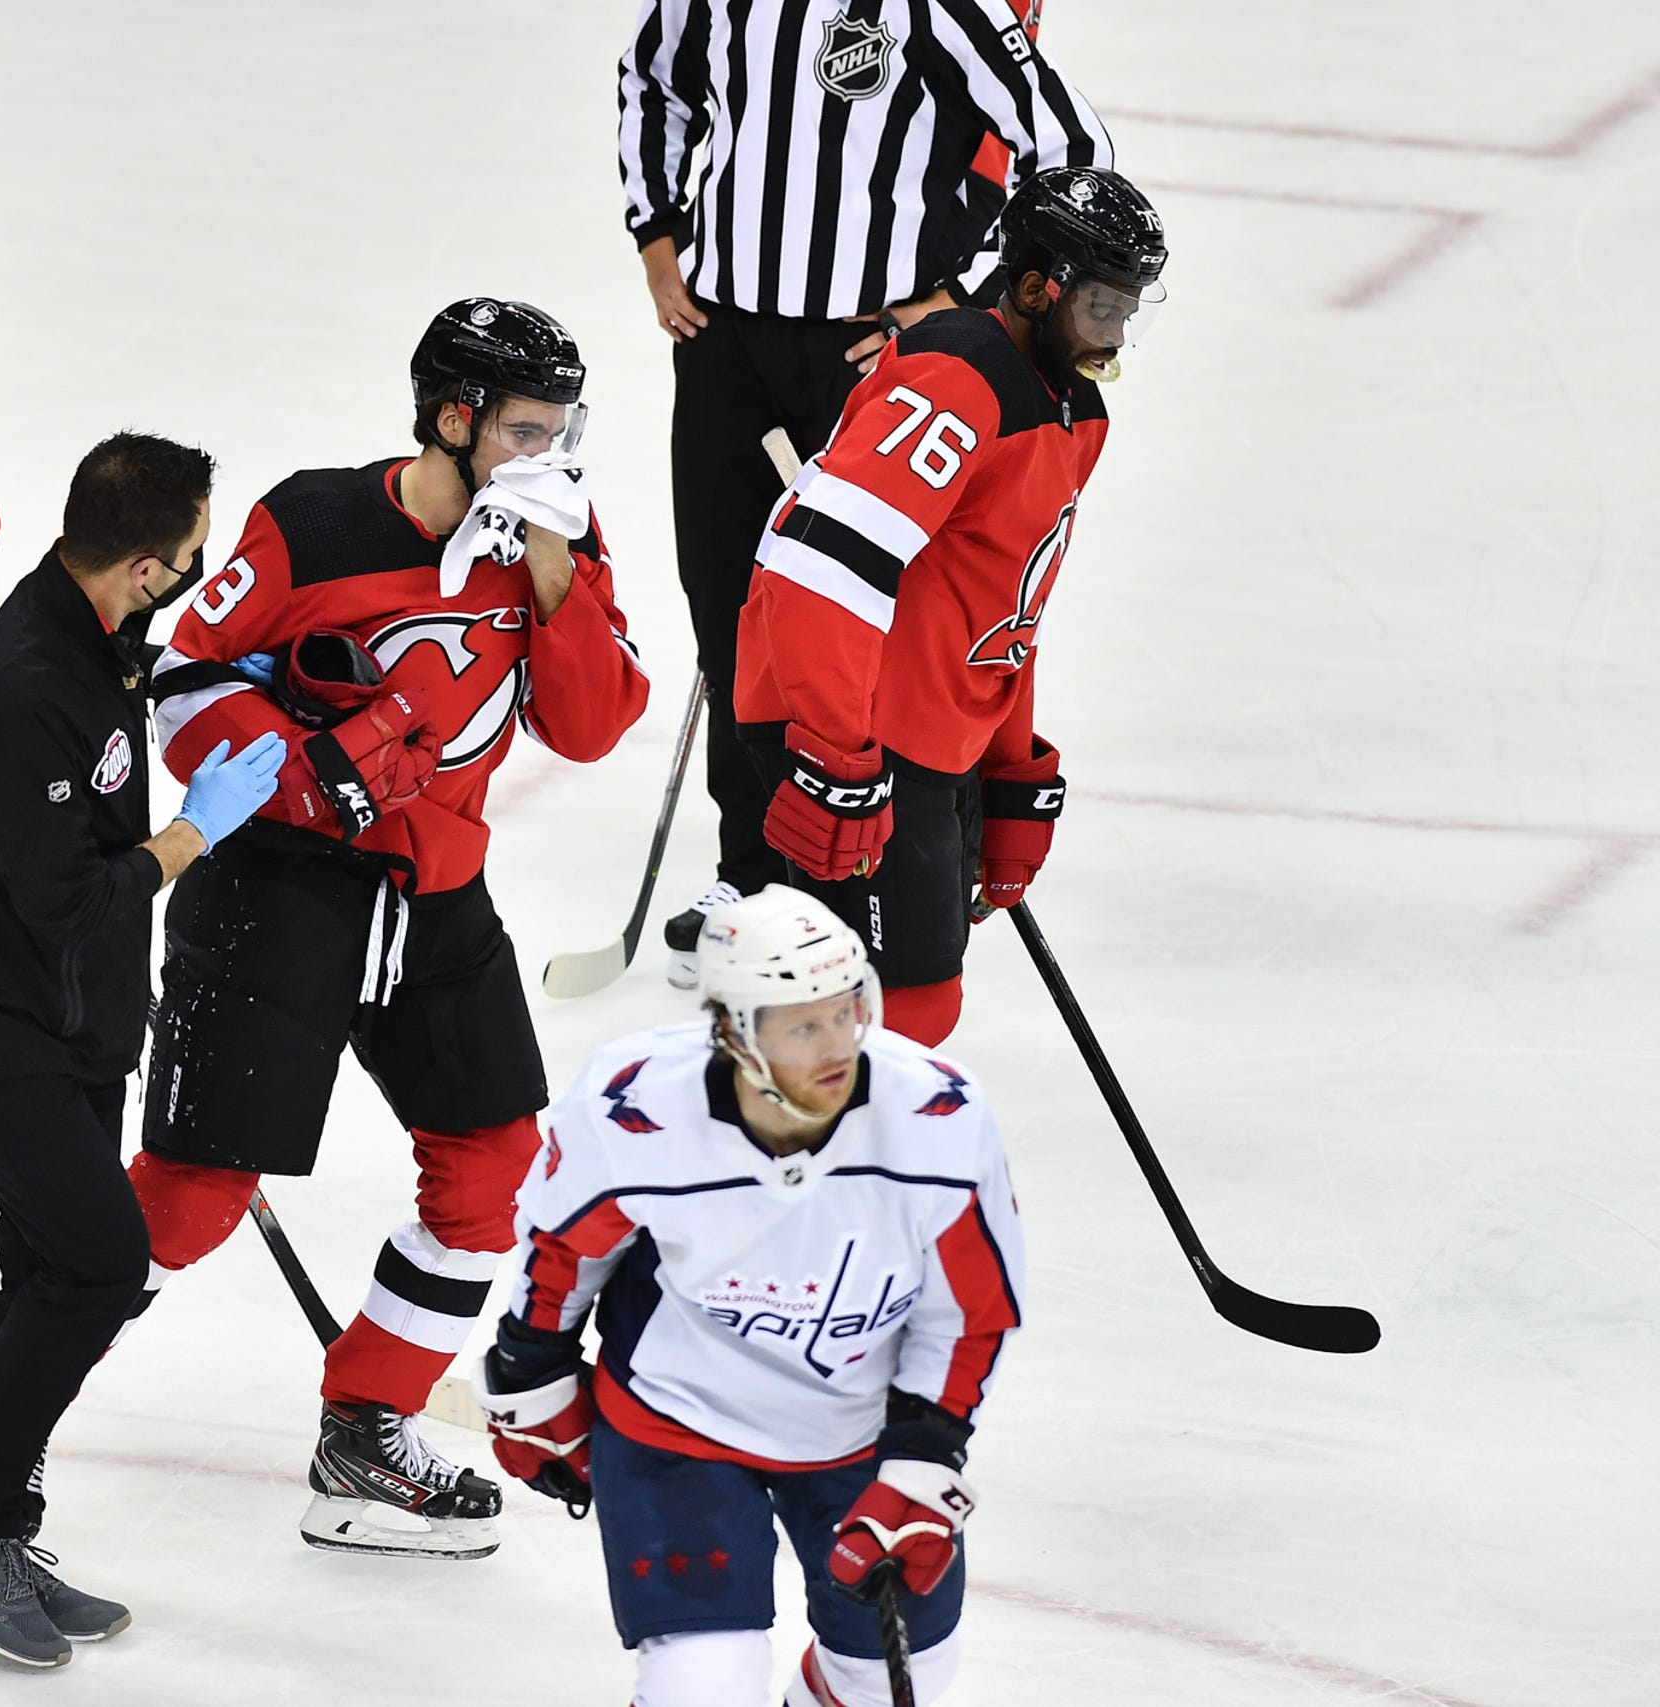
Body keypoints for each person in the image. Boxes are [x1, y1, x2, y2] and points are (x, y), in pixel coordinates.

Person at [131, 299, 650, 1559]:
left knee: (491, 1170)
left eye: (563, 425)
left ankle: (367, 1431)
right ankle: (17, 1400)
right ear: (452, 418)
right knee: (192, 1202)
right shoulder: (314, 522)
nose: (551, 450)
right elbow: (183, 679)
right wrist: (302, 767)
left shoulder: (561, 534)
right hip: (280, 893)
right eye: (527, 426)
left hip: (437, 898)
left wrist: (555, 576)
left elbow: (588, 726)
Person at [0, 433, 285, 1672]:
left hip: (64, 1016)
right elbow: (67, 898)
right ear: (151, 563)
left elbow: (118, 683)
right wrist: (192, 836)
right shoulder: (26, 689)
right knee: (99, 1261)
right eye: (195, 556)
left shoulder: (87, 618)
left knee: (47, 1263)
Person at [616, 0, 1111, 986]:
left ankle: (911, 864)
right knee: (732, 614)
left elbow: (1070, 151)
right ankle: (758, 879)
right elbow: (653, 79)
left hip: (870, 353)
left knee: (881, 622)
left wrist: (961, 298)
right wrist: (657, 231)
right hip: (723, 343)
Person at [480, 887, 1024, 1707]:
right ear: (734, 1028)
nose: (836, 1044)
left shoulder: (937, 1116)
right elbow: (563, 1251)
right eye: (803, 1025)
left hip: (859, 1427)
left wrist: (925, 1453)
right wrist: (530, 1368)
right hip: (677, 1421)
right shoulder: (635, 1108)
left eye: (846, 1011)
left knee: (885, 1684)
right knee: (699, 1684)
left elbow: (970, 1308)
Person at [732, 166, 1167, 1045]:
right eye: (1101, 309)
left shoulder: (1075, 413)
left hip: (931, 740)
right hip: (860, 737)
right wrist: (833, 757)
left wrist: (1009, 770)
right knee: (876, 1021)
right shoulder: (955, 382)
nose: (1115, 336)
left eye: (1130, 311)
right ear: (1039, 286)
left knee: (912, 1017)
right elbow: (819, 572)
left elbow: (1010, 606)